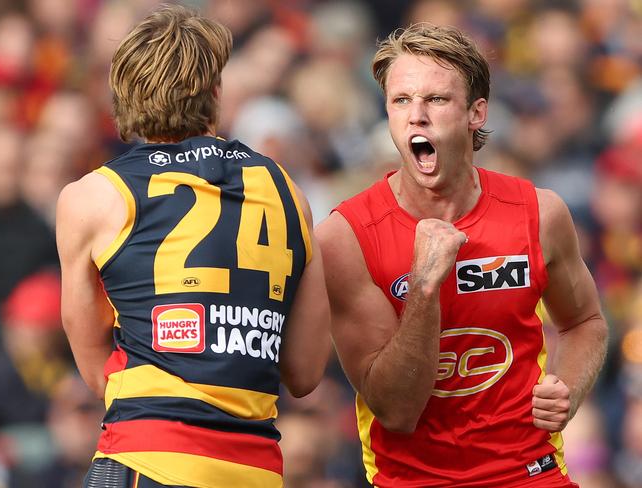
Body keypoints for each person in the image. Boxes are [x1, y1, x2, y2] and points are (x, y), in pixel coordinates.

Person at [316, 23, 608, 488]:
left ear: (476, 112)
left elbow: (585, 322)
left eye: (435, 100)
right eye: (401, 100)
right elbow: (395, 411)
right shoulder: (344, 235)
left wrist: (567, 391)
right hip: (412, 480)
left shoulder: (539, 213)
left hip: (530, 472)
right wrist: (425, 284)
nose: (416, 116)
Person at [56, 5, 330, 488]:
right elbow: (305, 373)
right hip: (256, 468)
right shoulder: (289, 192)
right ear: (216, 93)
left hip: (148, 459)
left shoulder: (91, 197)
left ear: (122, 95)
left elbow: (96, 372)